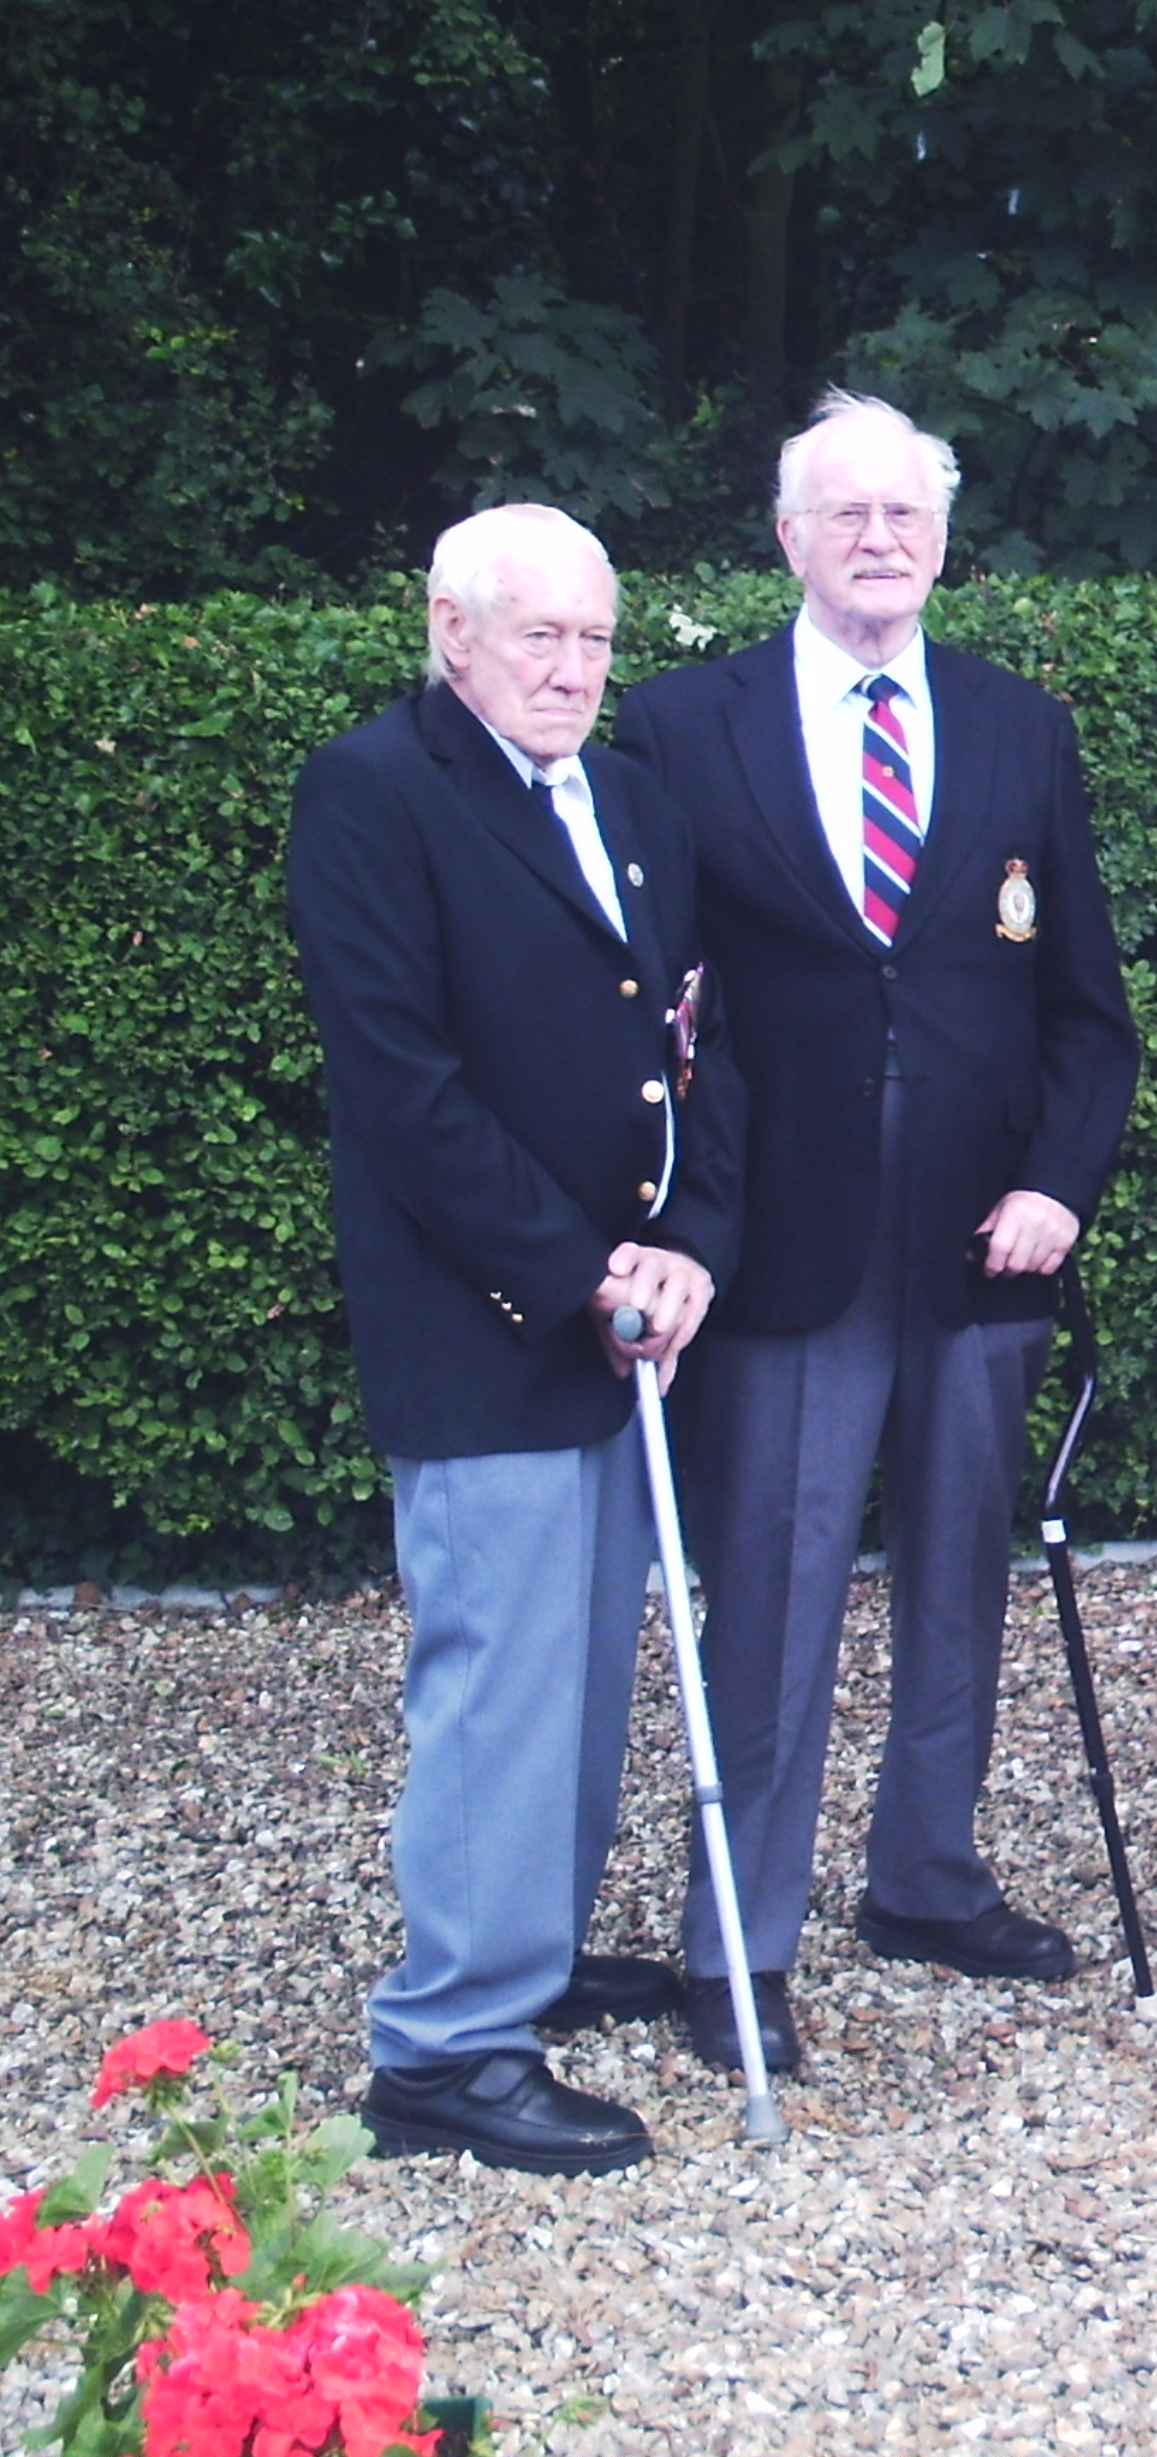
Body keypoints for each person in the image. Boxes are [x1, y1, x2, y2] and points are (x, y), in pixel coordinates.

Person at [611, 391, 1139, 2070]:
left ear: (944, 538)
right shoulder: (679, 726)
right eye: (846, 512)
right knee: (772, 1591)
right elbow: (652, 1002)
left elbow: (1086, 1008)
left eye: (907, 513)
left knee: (961, 1572)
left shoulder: (1017, 727)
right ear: (788, 537)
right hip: (778, 1238)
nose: (879, 538)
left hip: (982, 1239)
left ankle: (925, 1874)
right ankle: (737, 1939)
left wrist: (1060, 1182)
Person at [289, 504, 741, 2173]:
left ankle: (525, 1953)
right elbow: (399, 1084)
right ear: (451, 629)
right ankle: (448, 2045)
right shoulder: (373, 790)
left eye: (594, 639)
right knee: (497, 1683)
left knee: (586, 1665)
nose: (571, 669)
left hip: (627, 1314)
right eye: (538, 635)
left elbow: (694, 1045)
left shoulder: (630, 798)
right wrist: (578, 1273)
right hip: (491, 1318)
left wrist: (691, 1247)